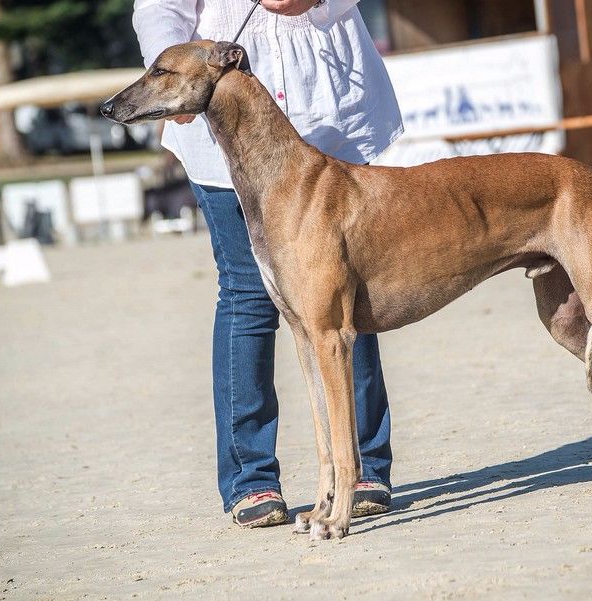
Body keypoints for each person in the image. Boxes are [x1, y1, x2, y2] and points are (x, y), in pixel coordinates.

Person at [133, 0, 403, 527]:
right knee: (246, 294)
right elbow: (160, 5)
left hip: (326, 107)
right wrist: (170, 76)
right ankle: (251, 479)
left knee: (341, 293)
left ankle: (364, 464)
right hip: (221, 113)